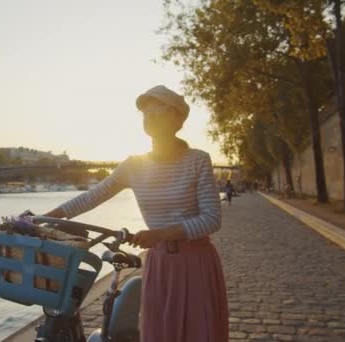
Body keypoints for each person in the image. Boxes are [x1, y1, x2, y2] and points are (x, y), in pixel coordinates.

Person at [44, 85, 228, 342]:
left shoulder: (197, 160)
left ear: (177, 120)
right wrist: (45, 218)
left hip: (195, 263)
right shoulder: (134, 165)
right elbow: (92, 196)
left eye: (158, 113)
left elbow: (212, 219)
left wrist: (161, 234)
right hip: (160, 264)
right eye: (146, 114)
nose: (150, 119)